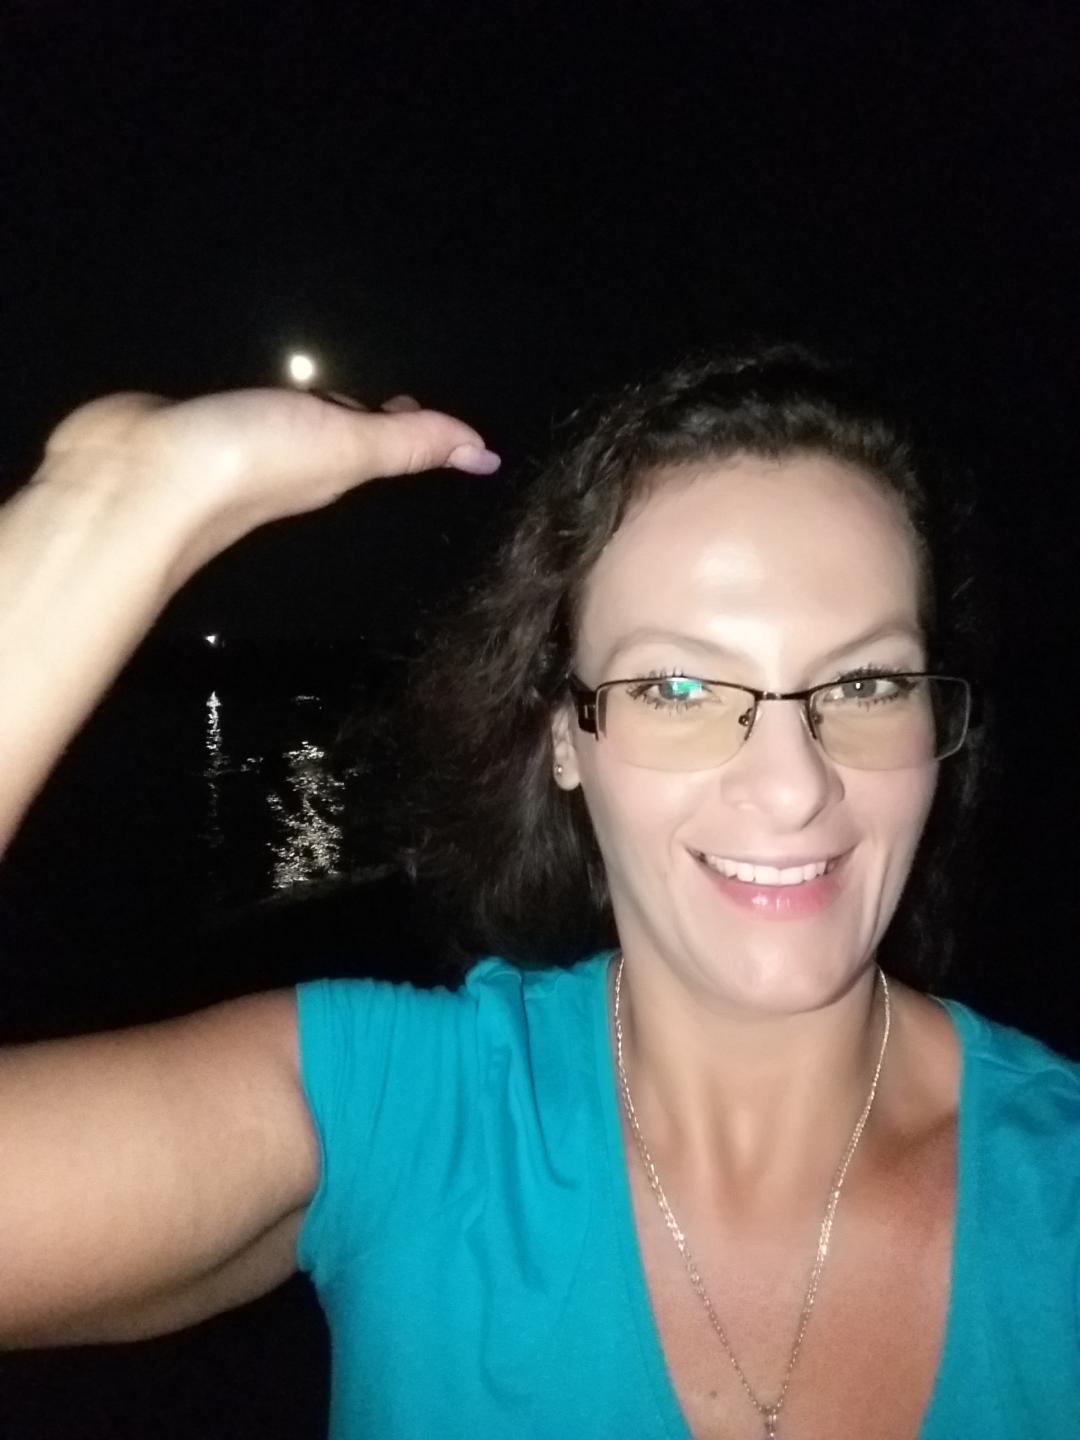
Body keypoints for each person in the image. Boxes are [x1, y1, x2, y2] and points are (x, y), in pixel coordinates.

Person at [0, 347, 1076, 1440]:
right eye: (678, 687)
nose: (794, 786)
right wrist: (112, 507)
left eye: (866, 682)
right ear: (566, 736)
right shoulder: (407, 1118)